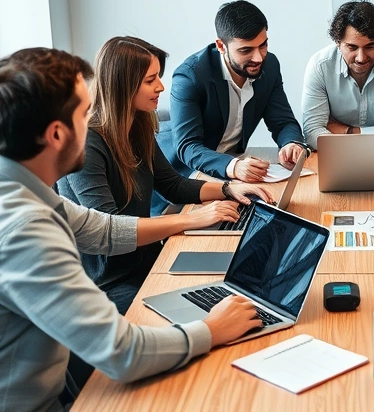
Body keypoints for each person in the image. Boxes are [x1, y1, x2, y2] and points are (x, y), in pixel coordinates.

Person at [0, 48, 261, 412]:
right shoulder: (19, 230)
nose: (93, 120)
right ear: (57, 133)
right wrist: (211, 329)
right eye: (84, 112)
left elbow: (101, 229)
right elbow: (123, 354)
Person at [57, 36, 272, 314]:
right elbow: (111, 230)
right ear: (122, 85)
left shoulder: (138, 124)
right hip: (108, 283)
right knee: (203, 312)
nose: (160, 87)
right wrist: (191, 219)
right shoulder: (88, 142)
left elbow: (171, 184)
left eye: (158, 76)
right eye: (150, 80)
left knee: (241, 283)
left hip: (148, 260)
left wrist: (229, 189)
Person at [159, 0, 307, 183]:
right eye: (246, 50)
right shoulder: (190, 76)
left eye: (263, 45)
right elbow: (188, 146)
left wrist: (291, 143)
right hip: (184, 174)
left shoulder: (270, 66)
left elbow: (283, 122)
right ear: (221, 46)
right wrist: (233, 166)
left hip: (234, 169)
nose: (258, 57)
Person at [301, 0, 374, 147]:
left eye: (370, 47)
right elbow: (312, 132)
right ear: (338, 42)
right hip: (339, 156)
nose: (361, 58)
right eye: (352, 47)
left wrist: (349, 132)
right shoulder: (320, 66)